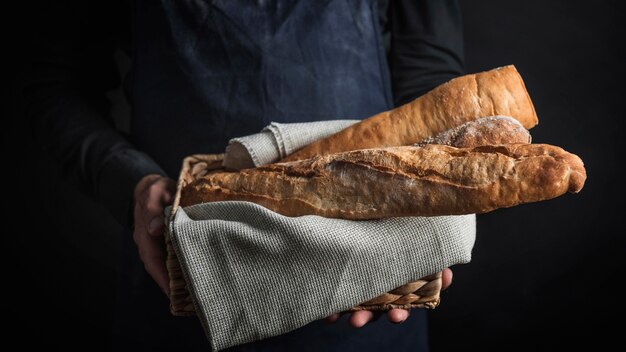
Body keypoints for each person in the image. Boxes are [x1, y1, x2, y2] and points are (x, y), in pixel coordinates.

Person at [21, 0, 465, 350]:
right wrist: (134, 185)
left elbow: (428, 76)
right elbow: (53, 83)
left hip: (368, 293)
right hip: (182, 275)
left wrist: (429, 205)